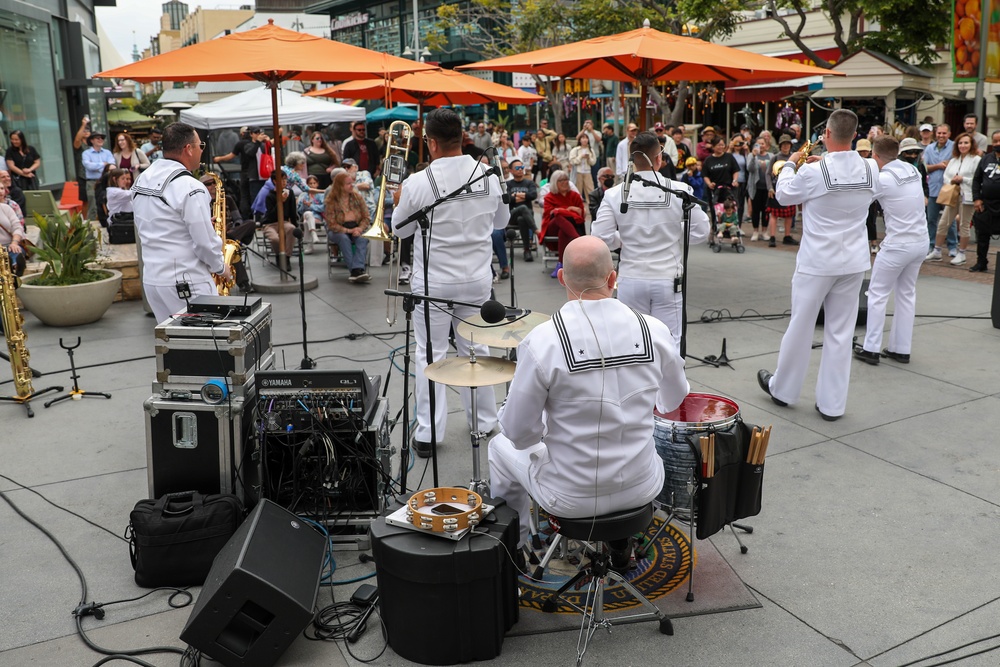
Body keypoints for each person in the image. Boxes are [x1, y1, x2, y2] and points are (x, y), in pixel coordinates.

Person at [487, 236, 689, 550]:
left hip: (572, 498)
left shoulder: (543, 340)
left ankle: (518, 548)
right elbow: (673, 401)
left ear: (561, 277)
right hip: (643, 485)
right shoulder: (654, 329)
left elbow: (519, 434)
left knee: (498, 446)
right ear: (613, 277)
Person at [392, 108, 510, 458]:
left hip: (434, 282)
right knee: (477, 350)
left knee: (430, 353)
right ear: (462, 137)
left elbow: (400, 231)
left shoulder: (418, 182)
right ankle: (485, 421)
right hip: (476, 279)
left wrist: (400, 201)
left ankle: (429, 433)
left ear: (430, 142)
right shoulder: (488, 175)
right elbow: (501, 220)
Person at [758, 108, 881, 421]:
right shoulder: (871, 168)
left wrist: (789, 164)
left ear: (826, 135)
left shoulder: (813, 172)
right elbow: (854, 181)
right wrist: (820, 165)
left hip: (817, 261)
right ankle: (832, 404)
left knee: (800, 326)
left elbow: (784, 195)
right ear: (854, 135)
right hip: (853, 261)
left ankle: (783, 390)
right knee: (840, 332)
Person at [594, 130, 710, 346]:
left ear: (633, 160)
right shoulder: (680, 190)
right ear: (659, 158)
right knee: (669, 343)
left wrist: (623, 240)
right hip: (667, 280)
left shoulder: (614, 194)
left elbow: (600, 236)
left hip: (630, 280)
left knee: (632, 342)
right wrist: (674, 236)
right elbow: (701, 231)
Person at [131, 122, 230, 323]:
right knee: (205, 345)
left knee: (175, 348)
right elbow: (204, 244)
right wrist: (221, 267)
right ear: (188, 149)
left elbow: (155, 222)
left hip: (153, 280)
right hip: (186, 281)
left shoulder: (142, 179)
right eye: (199, 145)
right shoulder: (190, 186)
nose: (201, 151)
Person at [853, 136, 929, 366]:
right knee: (906, 295)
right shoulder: (911, 170)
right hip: (921, 241)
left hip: (898, 245)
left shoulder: (882, 178)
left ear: (875, 155)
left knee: (876, 295)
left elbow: (858, 199)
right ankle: (900, 349)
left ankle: (871, 348)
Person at [926, 132, 981, 266]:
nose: (963, 145)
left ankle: (961, 253)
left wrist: (963, 179)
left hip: (967, 196)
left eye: (966, 143)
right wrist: (952, 180)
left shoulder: (976, 159)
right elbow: (945, 176)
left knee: (964, 224)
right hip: (953, 194)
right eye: (960, 143)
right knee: (943, 222)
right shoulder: (954, 160)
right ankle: (937, 251)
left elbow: (977, 178)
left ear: (971, 144)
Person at [201, 172, 254, 292]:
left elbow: (238, 219)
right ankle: (244, 283)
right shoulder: (202, 202)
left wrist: (234, 228)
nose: (213, 185)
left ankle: (230, 237)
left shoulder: (228, 199)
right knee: (230, 248)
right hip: (214, 236)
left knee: (250, 223)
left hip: (232, 231)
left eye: (214, 182)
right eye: (208, 184)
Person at [324, 170, 371, 284]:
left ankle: (357, 269)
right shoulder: (331, 201)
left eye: (352, 183)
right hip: (338, 229)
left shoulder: (357, 197)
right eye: (348, 183)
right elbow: (331, 224)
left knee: (362, 238)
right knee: (343, 239)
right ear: (340, 186)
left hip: (355, 226)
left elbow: (366, 217)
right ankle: (356, 271)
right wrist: (348, 230)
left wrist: (359, 228)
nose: (352, 186)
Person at [541, 170, 585, 277]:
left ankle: (560, 265)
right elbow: (551, 213)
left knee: (563, 230)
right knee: (558, 217)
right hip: (552, 228)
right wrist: (570, 210)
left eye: (566, 179)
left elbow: (581, 216)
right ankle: (578, 240)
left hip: (570, 229)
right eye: (561, 180)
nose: (565, 182)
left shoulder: (575, 196)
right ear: (555, 182)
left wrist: (561, 210)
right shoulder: (549, 197)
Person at [924, 124, 958, 256]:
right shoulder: (929, 148)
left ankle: (952, 246)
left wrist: (948, 165)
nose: (941, 136)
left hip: (948, 189)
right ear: (935, 134)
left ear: (949, 134)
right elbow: (925, 167)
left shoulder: (955, 146)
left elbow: (955, 164)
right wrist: (938, 165)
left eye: (944, 133)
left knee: (950, 220)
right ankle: (931, 245)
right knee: (931, 219)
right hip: (933, 189)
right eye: (939, 133)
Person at [970, 130, 1000, 272]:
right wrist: (976, 198)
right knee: (982, 236)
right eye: (995, 141)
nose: (997, 144)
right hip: (985, 205)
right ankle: (981, 262)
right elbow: (976, 180)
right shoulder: (986, 159)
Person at [764, 134, 795, 247]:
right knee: (774, 214)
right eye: (783, 144)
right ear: (780, 145)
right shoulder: (775, 157)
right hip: (776, 188)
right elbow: (767, 174)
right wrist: (770, 188)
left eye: (787, 144)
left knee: (789, 214)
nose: (786, 146)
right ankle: (772, 237)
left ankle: (787, 236)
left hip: (790, 187)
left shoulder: (793, 157)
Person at [506, 159, 539, 262]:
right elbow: (507, 198)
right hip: (512, 215)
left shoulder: (529, 183)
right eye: (517, 168)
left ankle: (527, 250)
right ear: (511, 171)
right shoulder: (508, 184)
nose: (520, 170)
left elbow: (533, 195)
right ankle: (536, 230)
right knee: (523, 208)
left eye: (521, 168)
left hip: (526, 217)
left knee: (522, 219)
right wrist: (524, 196)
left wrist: (515, 195)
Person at [261, 169, 299, 260]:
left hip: (285, 222)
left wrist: (296, 225)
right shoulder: (269, 196)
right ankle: (279, 255)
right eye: (281, 180)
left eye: (285, 179)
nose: (284, 182)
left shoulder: (289, 193)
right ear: (275, 181)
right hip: (270, 223)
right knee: (275, 239)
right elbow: (271, 215)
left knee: (291, 229)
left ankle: (287, 257)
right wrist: (280, 202)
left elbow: (292, 211)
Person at [81, 132, 116, 220]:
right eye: (97, 138)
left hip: (106, 181)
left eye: (102, 138)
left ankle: (108, 224)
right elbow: (88, 165)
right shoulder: (86, 153)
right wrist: (104, 165)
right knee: (92, 206)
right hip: (92, 182)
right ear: (92, 140)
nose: (100, 140)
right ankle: (91, 228)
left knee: (108, 203)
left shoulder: (107, 152)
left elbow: (112, 166)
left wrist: (97, 166)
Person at [0, 181, 26, 276]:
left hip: (9, 246)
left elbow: (17, 227)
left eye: (2, 189)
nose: (0, 192)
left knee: (16, 252)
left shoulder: (6, 208)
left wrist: (14, 243)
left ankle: (15, 270)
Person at [568, 133, 597, 214]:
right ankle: (577, 208)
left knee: (590, 190)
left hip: (587, 172)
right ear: (579, 140)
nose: (584, 140)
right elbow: (572, 161)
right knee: (577, 191)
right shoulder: (576, 150)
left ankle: (592, 207)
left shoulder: (591, 150)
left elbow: (593, 162)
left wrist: (588, 158)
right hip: (578, 172)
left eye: (586, 138)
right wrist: (580, 156)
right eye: (582, 138)